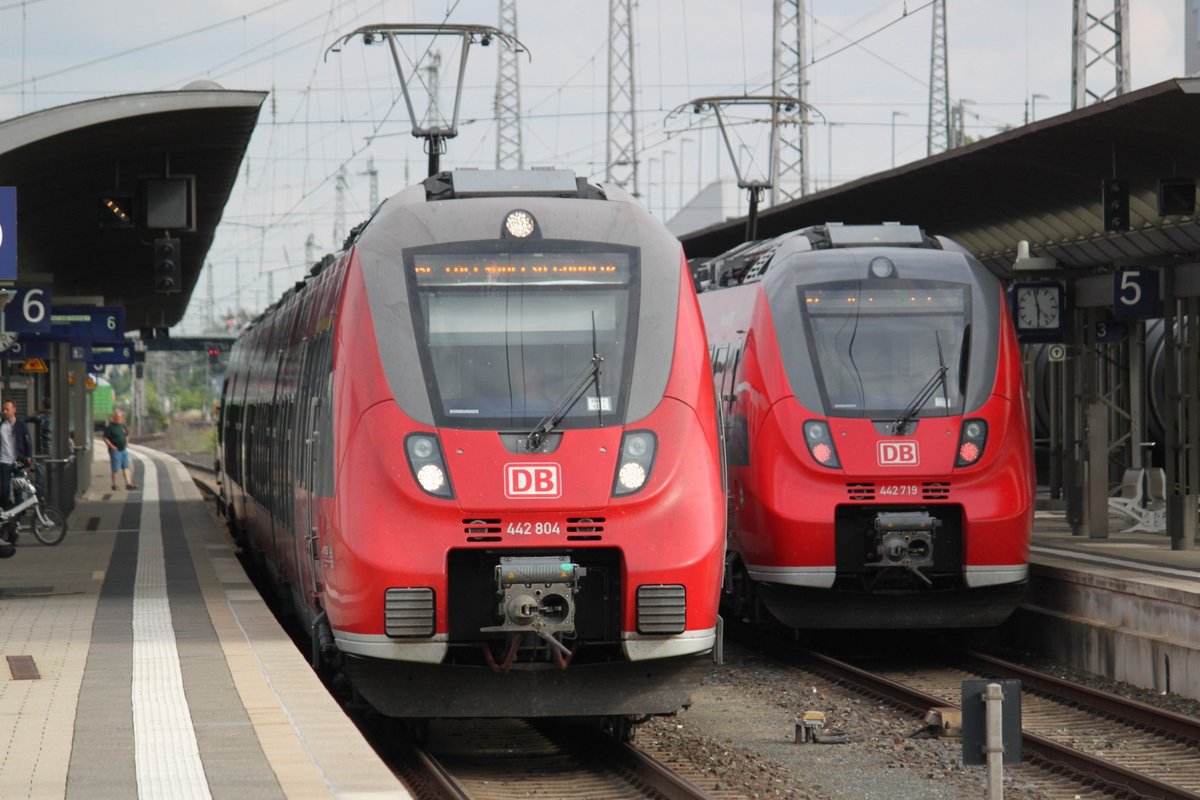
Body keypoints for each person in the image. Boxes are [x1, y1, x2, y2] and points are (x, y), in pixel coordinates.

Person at [0, 399, 33, 513]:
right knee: (4, 490)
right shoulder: (1, 426)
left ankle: (18, 520)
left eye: (7, 409)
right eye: (3, 409)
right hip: (4, 462)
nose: (5, 412)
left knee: (19, 491)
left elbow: (28, 445)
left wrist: (28, 464)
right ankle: (5, 514)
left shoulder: (21, 426)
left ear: (14, 410)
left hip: (19, 461)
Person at [102, 409, 137, 491]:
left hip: (123, 449)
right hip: (115, 450)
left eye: (121, 417)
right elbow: (105, 438)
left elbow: (126, 435)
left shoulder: (123, 426)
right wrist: (111, 446)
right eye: (118, 417)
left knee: (126, 466)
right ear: (114, 418)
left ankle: (128, 483)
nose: (120, 418)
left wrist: (126, 442)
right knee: (115, 468)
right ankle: (114, 484)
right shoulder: (110, 427)